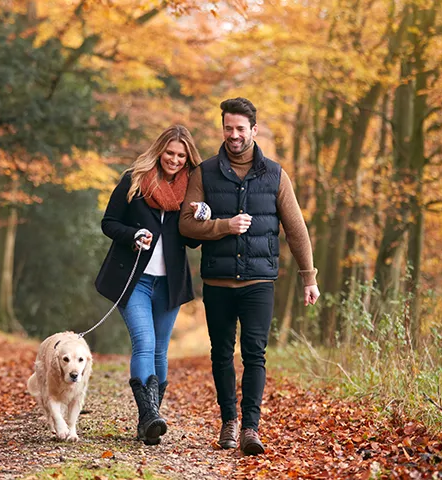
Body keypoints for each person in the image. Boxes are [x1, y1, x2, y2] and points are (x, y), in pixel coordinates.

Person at [178, 98, 320, 455]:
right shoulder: (205, 173)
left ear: (254, 130)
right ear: (222, 128)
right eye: (228, 128)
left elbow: (296, 229)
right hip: (218, 283)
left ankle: (251, 429)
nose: (234, 135)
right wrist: (224, 226)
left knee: (255, 354)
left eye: (241, 128)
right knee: (222, 354)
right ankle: (229, 421)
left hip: (259, 283)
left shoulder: (275, 175)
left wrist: (309, 277)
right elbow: (185, 224)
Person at [95, 124, 203, 445]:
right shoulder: (135, 180)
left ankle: (150, 420)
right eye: (170, 153)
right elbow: (109, 222)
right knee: (144, 342)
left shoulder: (191, 191)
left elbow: (193, 243)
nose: (174, 160)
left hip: (169, 284)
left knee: (160, 349)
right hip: (135, 280)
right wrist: (133, 235)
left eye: (181, 156)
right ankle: (148, 417)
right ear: (159, 151)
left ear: (187, 158)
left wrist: (199, 217)